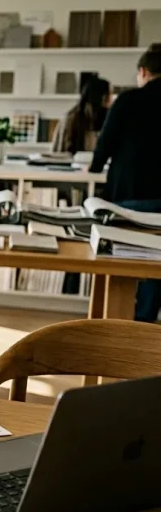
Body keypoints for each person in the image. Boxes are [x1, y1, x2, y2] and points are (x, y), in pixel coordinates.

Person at [90, 44, 161, 322]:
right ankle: (144, 324)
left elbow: (105, 144)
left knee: (123, 259)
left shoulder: (128, 100)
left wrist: (94, 169)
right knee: (157, 264)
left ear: (143, 71)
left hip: (130, 194)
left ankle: (117, 324)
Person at [52, 76, 111, 153]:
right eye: (109, 94)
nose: (111, 98)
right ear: (102, 97)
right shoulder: (71, 118)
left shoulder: (107, 118)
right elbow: (61, 151)